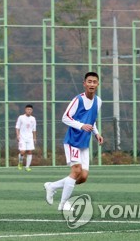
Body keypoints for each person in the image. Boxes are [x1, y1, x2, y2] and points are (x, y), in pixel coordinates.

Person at [44, 71, 104, 210]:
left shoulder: (98, 101)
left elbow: (92, 120)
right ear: (84, 84)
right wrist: (81, 126)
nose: (92, 84)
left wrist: (96, 133)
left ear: (98, 84)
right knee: (76, 170)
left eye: (94, 82)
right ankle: (63, 204)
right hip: (73, 141)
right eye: (89, 81)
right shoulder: (78, 99)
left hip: (84, 143)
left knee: (82, 177)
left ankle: (52, 186)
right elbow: (65, 117)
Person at [15, 104, 37, 171]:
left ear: (32, 110)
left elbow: (34, 129)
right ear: (25, 110)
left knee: (30, 151)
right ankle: (20, 163)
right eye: (28, 109)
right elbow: (17, 127)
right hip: (22, 137)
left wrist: (34, 138)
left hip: (30, 138)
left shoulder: (33, 119)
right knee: (22, 151)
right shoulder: (21, 117)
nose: (29, 111)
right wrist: (17, 135)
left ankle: (27, 166)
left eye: (30, 109)